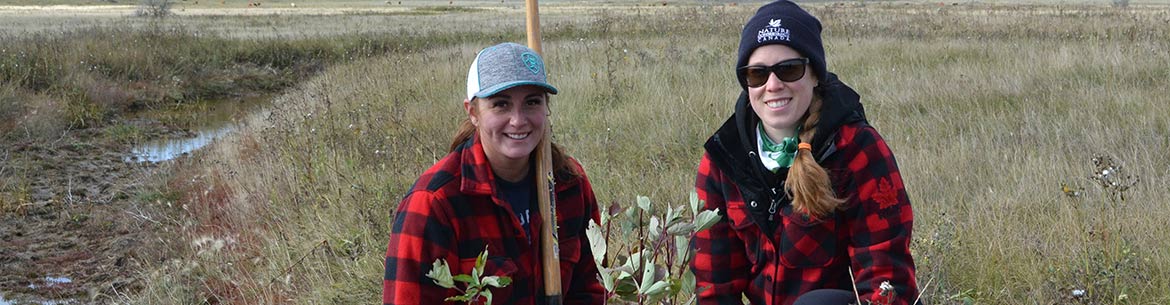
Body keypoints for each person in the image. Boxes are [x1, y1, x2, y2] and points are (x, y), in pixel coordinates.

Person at [689, 1, 919, 305]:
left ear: (814, 75)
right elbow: (714, 288)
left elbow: (887, 280)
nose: (773, 85)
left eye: (789, 69)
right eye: (758, 74)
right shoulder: (723, 159)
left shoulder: (856, 151)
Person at [382, 42, 604, 305]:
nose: (518, 120)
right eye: (501, 104)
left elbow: (591, 288)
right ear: (473, 112)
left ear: (547, 108)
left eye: (532, 102)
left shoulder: (569, 183)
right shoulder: (433, 204)